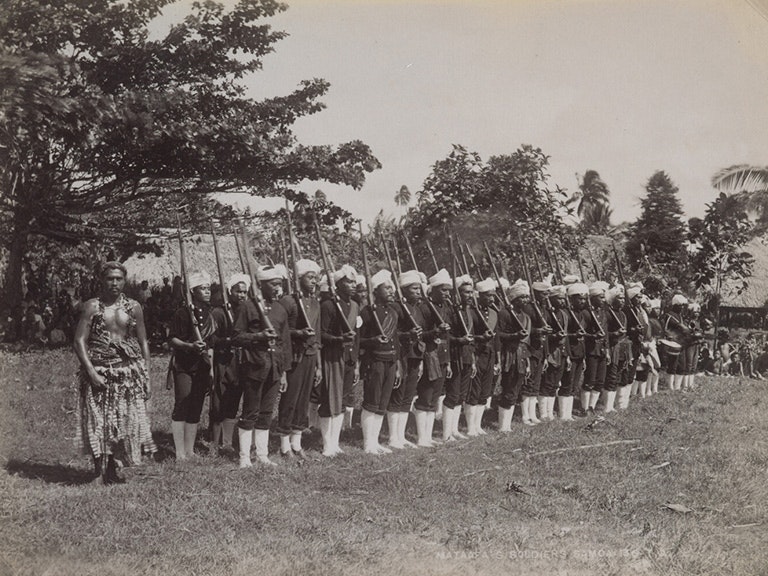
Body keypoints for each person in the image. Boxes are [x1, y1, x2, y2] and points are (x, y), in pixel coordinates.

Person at [73, 261, 155, 484]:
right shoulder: (92, 306)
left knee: (122, 423)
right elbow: (79, 341)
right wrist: (91, 373)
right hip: (100, 370)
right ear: (102, 280)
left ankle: (112, 468)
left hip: (127, 372)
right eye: (110, 278)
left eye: (119, 278)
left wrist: (145, 374)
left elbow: (143, 340)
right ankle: (98, 471)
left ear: (125, 280)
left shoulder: (133, 307)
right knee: (99, 422)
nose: (115, 283)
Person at [233, 265, 292, 468]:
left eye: (280, 284)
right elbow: (237, 336)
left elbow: (285, 343)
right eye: (274, 284)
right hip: (254, 366)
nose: (278, 288)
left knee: (267, 411)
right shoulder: (247, 307)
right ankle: (244, 457)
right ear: (261, 285)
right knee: (251, 410)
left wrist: (283, 372)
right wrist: (258, 337)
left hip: (274, 368)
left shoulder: (280, 309)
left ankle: (262, 454)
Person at [168, 271, 217, 461]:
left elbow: (211, 344)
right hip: (184, 365)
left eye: (208, 288)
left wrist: (211, 368)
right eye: (202, 289)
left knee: (196, 405)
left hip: (202, 366)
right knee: (183, 403)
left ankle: (190, 450)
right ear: (192, 292)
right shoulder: (182, 313)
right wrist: (189, 346)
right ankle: (179, 451)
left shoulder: (210, 315)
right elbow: (172, 339)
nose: (207, 292)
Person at [277, 259, 322, 458]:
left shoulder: (314, 303)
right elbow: (280, 331)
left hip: (310, 357)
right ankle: (284, 445)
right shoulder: (288, 301)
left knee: (303, 400)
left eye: (316, 278)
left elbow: (317, 335)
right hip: (293, 356)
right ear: (299, 278)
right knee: (290, 399)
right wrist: (298, 333)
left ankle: (297, 443)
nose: (314, 281)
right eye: (310, 277)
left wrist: (319, 365)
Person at [318, 265, 359, 456]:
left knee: (342, 401)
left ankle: (335, 442)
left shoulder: (355, 305)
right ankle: (327, 444)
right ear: (338, 284)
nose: (353, 285)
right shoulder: (329, 305)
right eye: (348, 282)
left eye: (354, 281)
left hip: (349, 358)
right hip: (333, 358)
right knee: (329, 400)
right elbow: (322, 335)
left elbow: (356, 337)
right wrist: (338, 340)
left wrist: (355, 360)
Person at [359, 269, 401, 454]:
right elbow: (358, 340)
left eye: (392, 288)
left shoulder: (393, 312)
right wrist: (372, 341)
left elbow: (396, 341)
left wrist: (397, 364)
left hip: (391, 361)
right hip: (375, 361)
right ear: (375, 291)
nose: (392, 291)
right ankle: (368, 443)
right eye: (387, 289)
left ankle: (375, 442)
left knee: (383, 403)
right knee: (372, 401)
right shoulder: (367, 312)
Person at [209, 273, 250, 454]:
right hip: (223, 361)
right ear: (229, 291)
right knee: (219, 401)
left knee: (233, 400)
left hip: (240, 362)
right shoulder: (219, 312)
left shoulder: (247, 311)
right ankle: (214, 443)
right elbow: (212, 339)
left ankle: (227, 442)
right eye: (237, 291)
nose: (241, 295)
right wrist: (228, 340)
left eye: (244, 292)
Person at [413, 269, 452, 447]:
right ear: (433, 290)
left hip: (442, 356)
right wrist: (434, 332)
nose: (447, 293)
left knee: (435, 396)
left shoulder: (446, 308)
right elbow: (420, 334)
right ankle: (422, 437)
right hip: (429, 355)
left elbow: (447, 338)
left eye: (448, 290)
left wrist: (448, 360)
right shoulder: (423, 308)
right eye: (443, 290)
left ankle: (428, 436)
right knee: (426, 396)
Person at [387, 270, 425, 449]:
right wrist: (406, 335)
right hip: (400, 356)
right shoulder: (396, 307)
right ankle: (393, 437)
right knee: (398, 394)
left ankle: (401, 436)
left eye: (419, 289)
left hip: (415, 356)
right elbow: (391, 333)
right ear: (403, 290)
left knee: (408, 396)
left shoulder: (417, 308)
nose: (418, 292)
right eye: (414, 289)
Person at [443, 274, 476, 440]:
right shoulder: (451, 312)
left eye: (471, 292)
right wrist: (458, 340)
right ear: (457, 294)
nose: (470, 296)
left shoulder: (468, 312)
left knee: (461, 396)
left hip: (467, 357)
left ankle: (454, 430)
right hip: (455, 357)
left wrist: (473, 360)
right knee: (453, 394)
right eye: (466, 293)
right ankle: (446, 433)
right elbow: (446, 337)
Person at [496, 280, 531, 431]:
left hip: (521, 356)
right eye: (522, 297)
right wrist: (514, 336)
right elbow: (498, 334)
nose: (525, 300)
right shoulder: (504, 314)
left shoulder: (525, 316)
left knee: (516, 389)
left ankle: (507, 425)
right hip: (509, 356)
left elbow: (526, 342)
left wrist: (527, 360)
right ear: (515, 299)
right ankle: (503, 426)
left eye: (526, 297)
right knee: (508, 388)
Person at [466, 278, 499, 435]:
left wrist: (497, 359)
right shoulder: (471, 312)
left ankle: (477, 425)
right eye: (487, 295)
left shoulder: (494, 313)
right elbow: (470, 335)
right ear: (478, 295)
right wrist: (480, 338)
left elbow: (496, 339)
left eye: (493, 295)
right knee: (474, 390)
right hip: (476, 354)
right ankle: (470, 426)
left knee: (484, 392)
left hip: (489, 354)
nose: (491, 299)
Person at [582, 281, 609, 413]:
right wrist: (593, 336)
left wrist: (607, 349)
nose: (603, 300)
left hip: (602, 350)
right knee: (590, 380)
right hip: (591, 350)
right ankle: (585, 407)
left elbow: (606, 333)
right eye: (601, 297)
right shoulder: (586, 313)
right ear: (593, 298)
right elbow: (582, 332)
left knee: (600, 380)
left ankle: (592, 406)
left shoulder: (602, 313)